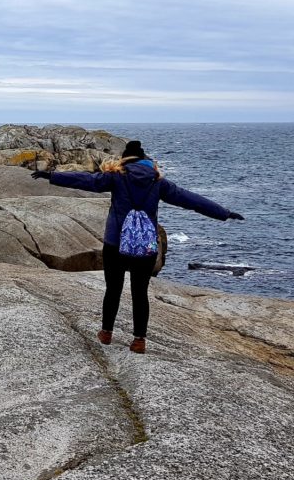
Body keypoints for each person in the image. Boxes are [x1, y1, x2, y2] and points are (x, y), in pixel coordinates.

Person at [31, 140, 243, 353]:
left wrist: (52, 176)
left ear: (126, 158)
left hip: (115, 244)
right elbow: (190, 199)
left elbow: (86, 180)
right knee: (140, 293)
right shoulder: (158, 182)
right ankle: (139, 340)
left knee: (113, 289)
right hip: (146, 247)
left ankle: (106, 333)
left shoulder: (115, 177)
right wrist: (223, 213)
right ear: (145, 161)